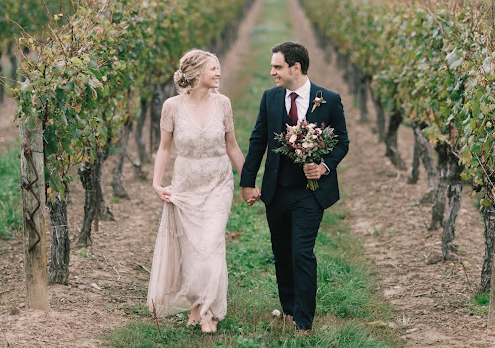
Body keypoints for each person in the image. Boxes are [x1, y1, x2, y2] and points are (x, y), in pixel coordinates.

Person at [240, 41, 349, 334]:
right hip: (277, 191)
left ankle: (304, 320)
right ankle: (288, 309)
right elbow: (257, 141)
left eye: (277, 66)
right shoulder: (270, 98)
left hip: (310, 193)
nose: (272, 72)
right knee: (282, 252)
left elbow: (343, 143)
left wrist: (323, 166)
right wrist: (248, 183)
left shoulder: (329, 99)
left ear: (295, 68)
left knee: (302, 252)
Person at [147, 49, 245, 334]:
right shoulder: (172, 106)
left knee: (210, 243)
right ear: (197, 73)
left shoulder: (223, 103)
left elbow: (232, 146)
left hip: (218, 182)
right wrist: (156, 183)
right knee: (191, 248)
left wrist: (248, 180)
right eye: (213, 69)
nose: (219, 73)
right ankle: (195, 304)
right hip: (185, 185)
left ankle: (208, 312)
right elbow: (164, 148)